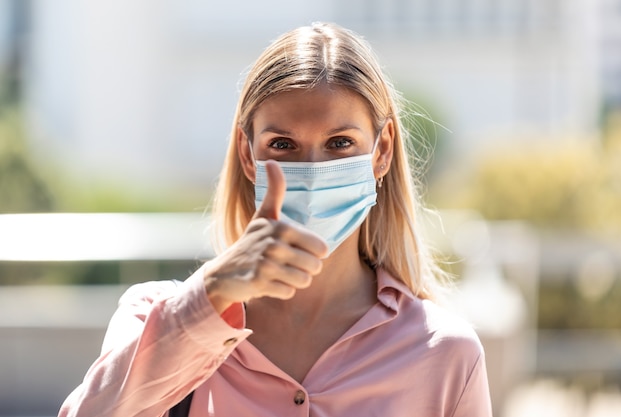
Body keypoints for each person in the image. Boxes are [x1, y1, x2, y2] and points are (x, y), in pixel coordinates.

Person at [58, 22, 492, 417]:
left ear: (381, 152)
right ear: (249, 154)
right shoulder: (152, 318)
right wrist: (213, 292)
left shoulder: (445, 354)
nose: (312, 168)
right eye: (282, 145)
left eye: (340, 143)